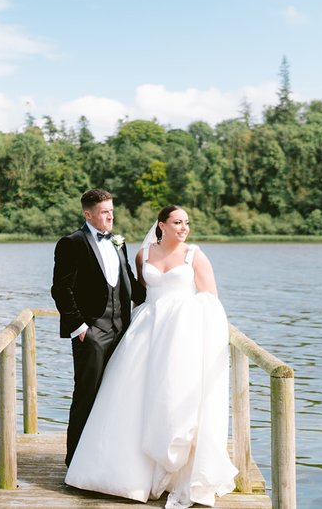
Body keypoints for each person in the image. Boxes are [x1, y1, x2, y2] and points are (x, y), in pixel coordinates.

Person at [64, 205, 237, 509]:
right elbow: (135, 291)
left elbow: (210, 300)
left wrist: (187, 321)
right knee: (129, 396)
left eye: (187, 222)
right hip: (145, 331)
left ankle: (171, 471)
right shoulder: (144, 254)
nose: (184, 227)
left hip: (180, 335)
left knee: (171, 396)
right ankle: (121, 474)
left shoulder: (195, 255)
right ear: (162, 225)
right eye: (177, 222)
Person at [51, 188, 145, 467]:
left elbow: (128, 280)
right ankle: (75, 462)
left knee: (118, 396)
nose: (110, 216)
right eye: (105, 212)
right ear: (87, 214)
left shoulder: (118, 242)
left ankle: (108, 460)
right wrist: (80, 328)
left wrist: (160, 298)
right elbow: (61, 289)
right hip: (91, 334)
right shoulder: (71, 243)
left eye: (112, 211)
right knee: (86, 396)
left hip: (122, 332)